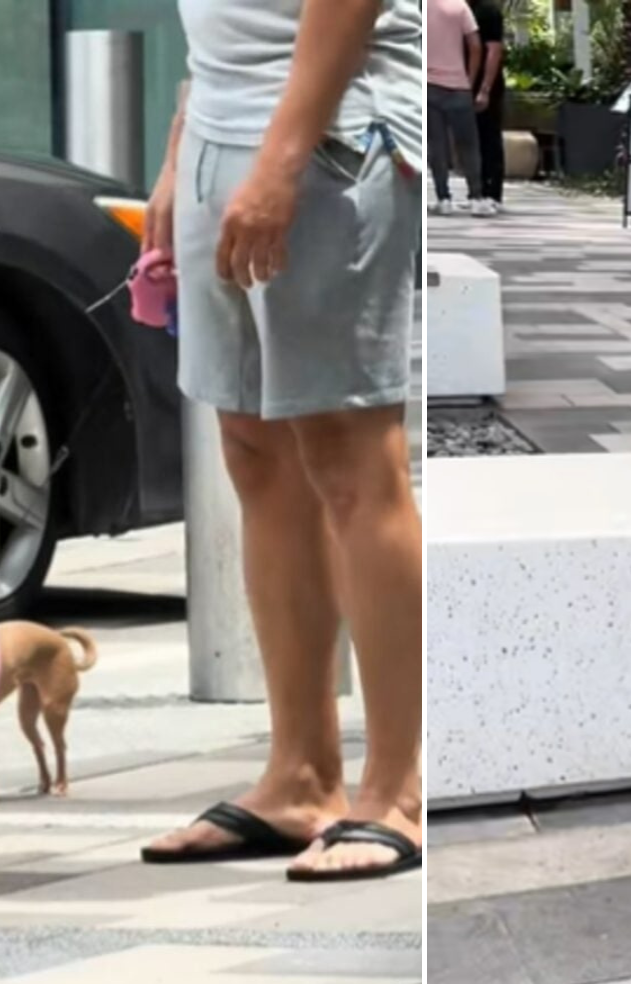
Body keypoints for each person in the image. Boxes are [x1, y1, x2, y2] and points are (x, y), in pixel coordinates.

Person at [138, 0, 425, 882]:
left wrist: (280, 160)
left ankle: (399, 791)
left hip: (331, 137)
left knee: (349, 451)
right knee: (253, 448)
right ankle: (299, 778)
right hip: (222, 130)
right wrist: (181, 152)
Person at [426, 0, 483, 215]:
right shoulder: (460, 7)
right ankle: (475, 196)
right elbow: (476, 46)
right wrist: (469, 80)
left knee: (437, 145)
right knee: (468, 145)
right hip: (459, 86)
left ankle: (444, 198)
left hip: (429, 85)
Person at [468, 0, 507, 214]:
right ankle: (477, 191)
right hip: (465, 81)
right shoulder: (460, 9)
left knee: (489, 136)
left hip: (486, 83)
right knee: (472, 138)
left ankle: (493, 193)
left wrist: (485, 89)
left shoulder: (488, 12)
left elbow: (494, 50)